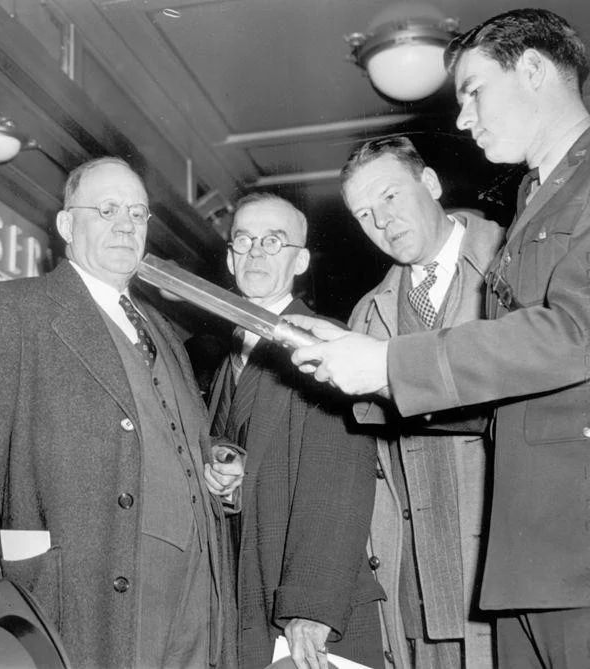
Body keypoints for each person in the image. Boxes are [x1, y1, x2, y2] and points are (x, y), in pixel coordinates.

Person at [288, 9, 590, 668]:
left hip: (568, 549)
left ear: (535, 70)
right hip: (514, 566)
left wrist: (389, 364)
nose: (462, 118)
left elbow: (574, 333)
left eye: (474, 90)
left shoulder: (557, 203)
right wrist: (349, 369)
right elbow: (508, 403)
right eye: (364, 215)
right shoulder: (540, 200)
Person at [0, 156, 242, 669]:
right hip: (91, 597)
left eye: (137, 213)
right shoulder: (19, 309)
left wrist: (211, 462)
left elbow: (158, 434)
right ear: (66, 225)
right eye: (106, 209)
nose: (126, 225)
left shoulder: (165, 334)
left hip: (197, 598)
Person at [339, 136, 502, 669]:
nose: (381, 221)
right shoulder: (367, 314)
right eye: (364, 213)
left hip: (503, 568)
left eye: (389, 196)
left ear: (430, 183)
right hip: (416, 583)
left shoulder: (513, 259)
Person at [206, 192, 385, 669]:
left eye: (273, 241)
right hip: (249, 606)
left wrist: (311, 607)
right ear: (229, 257)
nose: (256, 252)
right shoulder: (229, 359)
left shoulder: (319, 343)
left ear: (301, 260)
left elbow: (341, 479)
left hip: (307, 618)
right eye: (244, 240)